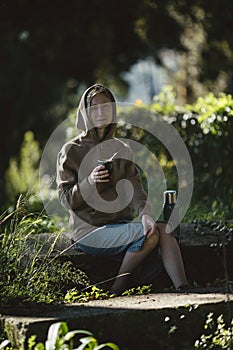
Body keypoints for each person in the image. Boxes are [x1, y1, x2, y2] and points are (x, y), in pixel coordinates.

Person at [56, 83, 188, 295]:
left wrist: (145, 214)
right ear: (85, 112)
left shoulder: (122, 149)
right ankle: (117, 288)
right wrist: (89, 182)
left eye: (106, 107)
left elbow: (136, 188)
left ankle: (184, 288)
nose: (101, 112)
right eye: (95, 107)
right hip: (89, 231)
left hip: (120, 225)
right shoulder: (71, 150)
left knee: (163, 229)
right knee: (150, 235)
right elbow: (65, 199)